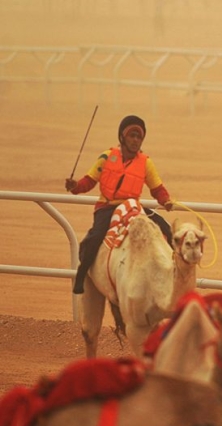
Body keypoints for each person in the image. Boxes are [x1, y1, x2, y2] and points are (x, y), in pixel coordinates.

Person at [65, 115, 175, 294]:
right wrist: (75, 186)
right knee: (96, 236)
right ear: (122, 137)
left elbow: (157, 188)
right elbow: (89, 181)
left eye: (139, 137)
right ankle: (82, 272)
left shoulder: (146, 162)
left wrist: (166, 201)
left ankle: (173, 273)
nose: (135, 140)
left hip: (132, 207)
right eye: (132, 135)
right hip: (107, 208)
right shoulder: (106, 157)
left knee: (166, 228)